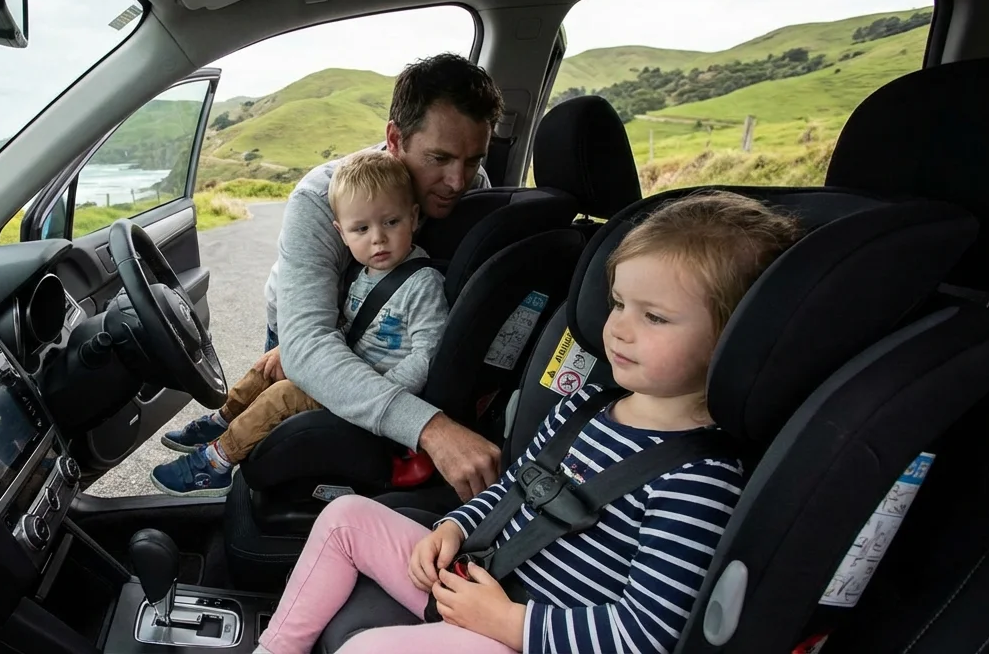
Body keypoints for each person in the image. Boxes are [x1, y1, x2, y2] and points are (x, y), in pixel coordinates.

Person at [252, 191, 803, 654]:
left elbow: (647, 635)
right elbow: (516, 489)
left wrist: (507, 622)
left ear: (734, 339)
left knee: (363, 650)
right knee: (346, 517)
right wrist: (455, 528)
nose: (620, 330)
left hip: (526, 635)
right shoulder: (583, 405)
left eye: (654, 317)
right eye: (618, 304)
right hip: (483, 579)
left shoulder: (700, 480)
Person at [264, 52, 506, 502]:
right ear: (395, 138)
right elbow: (307, 344)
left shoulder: (478, 190)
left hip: (392, 342)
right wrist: (430, 428)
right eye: (439, 158)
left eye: (473, 159)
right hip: (312, 329)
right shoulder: (320, 198)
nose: (458, 181)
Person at [152, 151, 450, 496]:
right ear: (341, 233)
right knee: (268, 367)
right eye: (362, 229)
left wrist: (387, 391)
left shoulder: (422, 283)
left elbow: (429, 351)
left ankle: (216, 463)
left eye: (391, 223)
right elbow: (351, 327)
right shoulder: (362, 273)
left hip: (370, 391)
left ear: (413, 217)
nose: (378, 239)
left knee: (282, 396)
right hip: (347, 370)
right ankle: (222, 420)